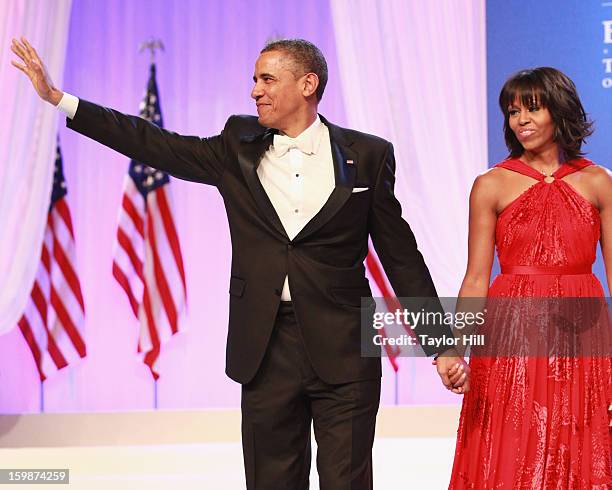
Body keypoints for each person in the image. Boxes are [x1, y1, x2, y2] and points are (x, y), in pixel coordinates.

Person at [11, 37, 467, 489]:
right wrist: (61, 100)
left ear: (307, 84)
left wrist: (441, 344)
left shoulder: (368, 154)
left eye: (267, 79)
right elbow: (153, 143)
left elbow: (401, 256)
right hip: (265, 349)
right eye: (254, 80)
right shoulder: (237, 146)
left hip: (346, 347)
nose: (255, 90)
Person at [447, 67, 612, 488]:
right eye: (512, 110)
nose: (520, 119)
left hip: (582, 333)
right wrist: (455, 348)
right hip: (511, 333)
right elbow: (475, 280)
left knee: (576, 440)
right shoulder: (490, 185)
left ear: (559, 110)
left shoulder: (599, 182)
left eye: (532, 108)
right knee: (512, 444)